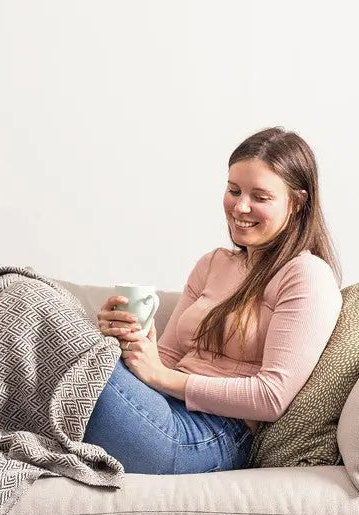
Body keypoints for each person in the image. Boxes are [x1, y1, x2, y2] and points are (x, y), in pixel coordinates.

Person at [83, 126, 343, 474]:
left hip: (209, 436)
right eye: (233, 190)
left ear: (297, 202)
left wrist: (161, 378)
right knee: (27, 298)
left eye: (260, 197)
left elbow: (271, 397)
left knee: (45, 316)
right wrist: (125, 341)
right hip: (160, 409)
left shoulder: (306, 275)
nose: (241, 206)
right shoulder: (212, 264)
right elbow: (169, 359)